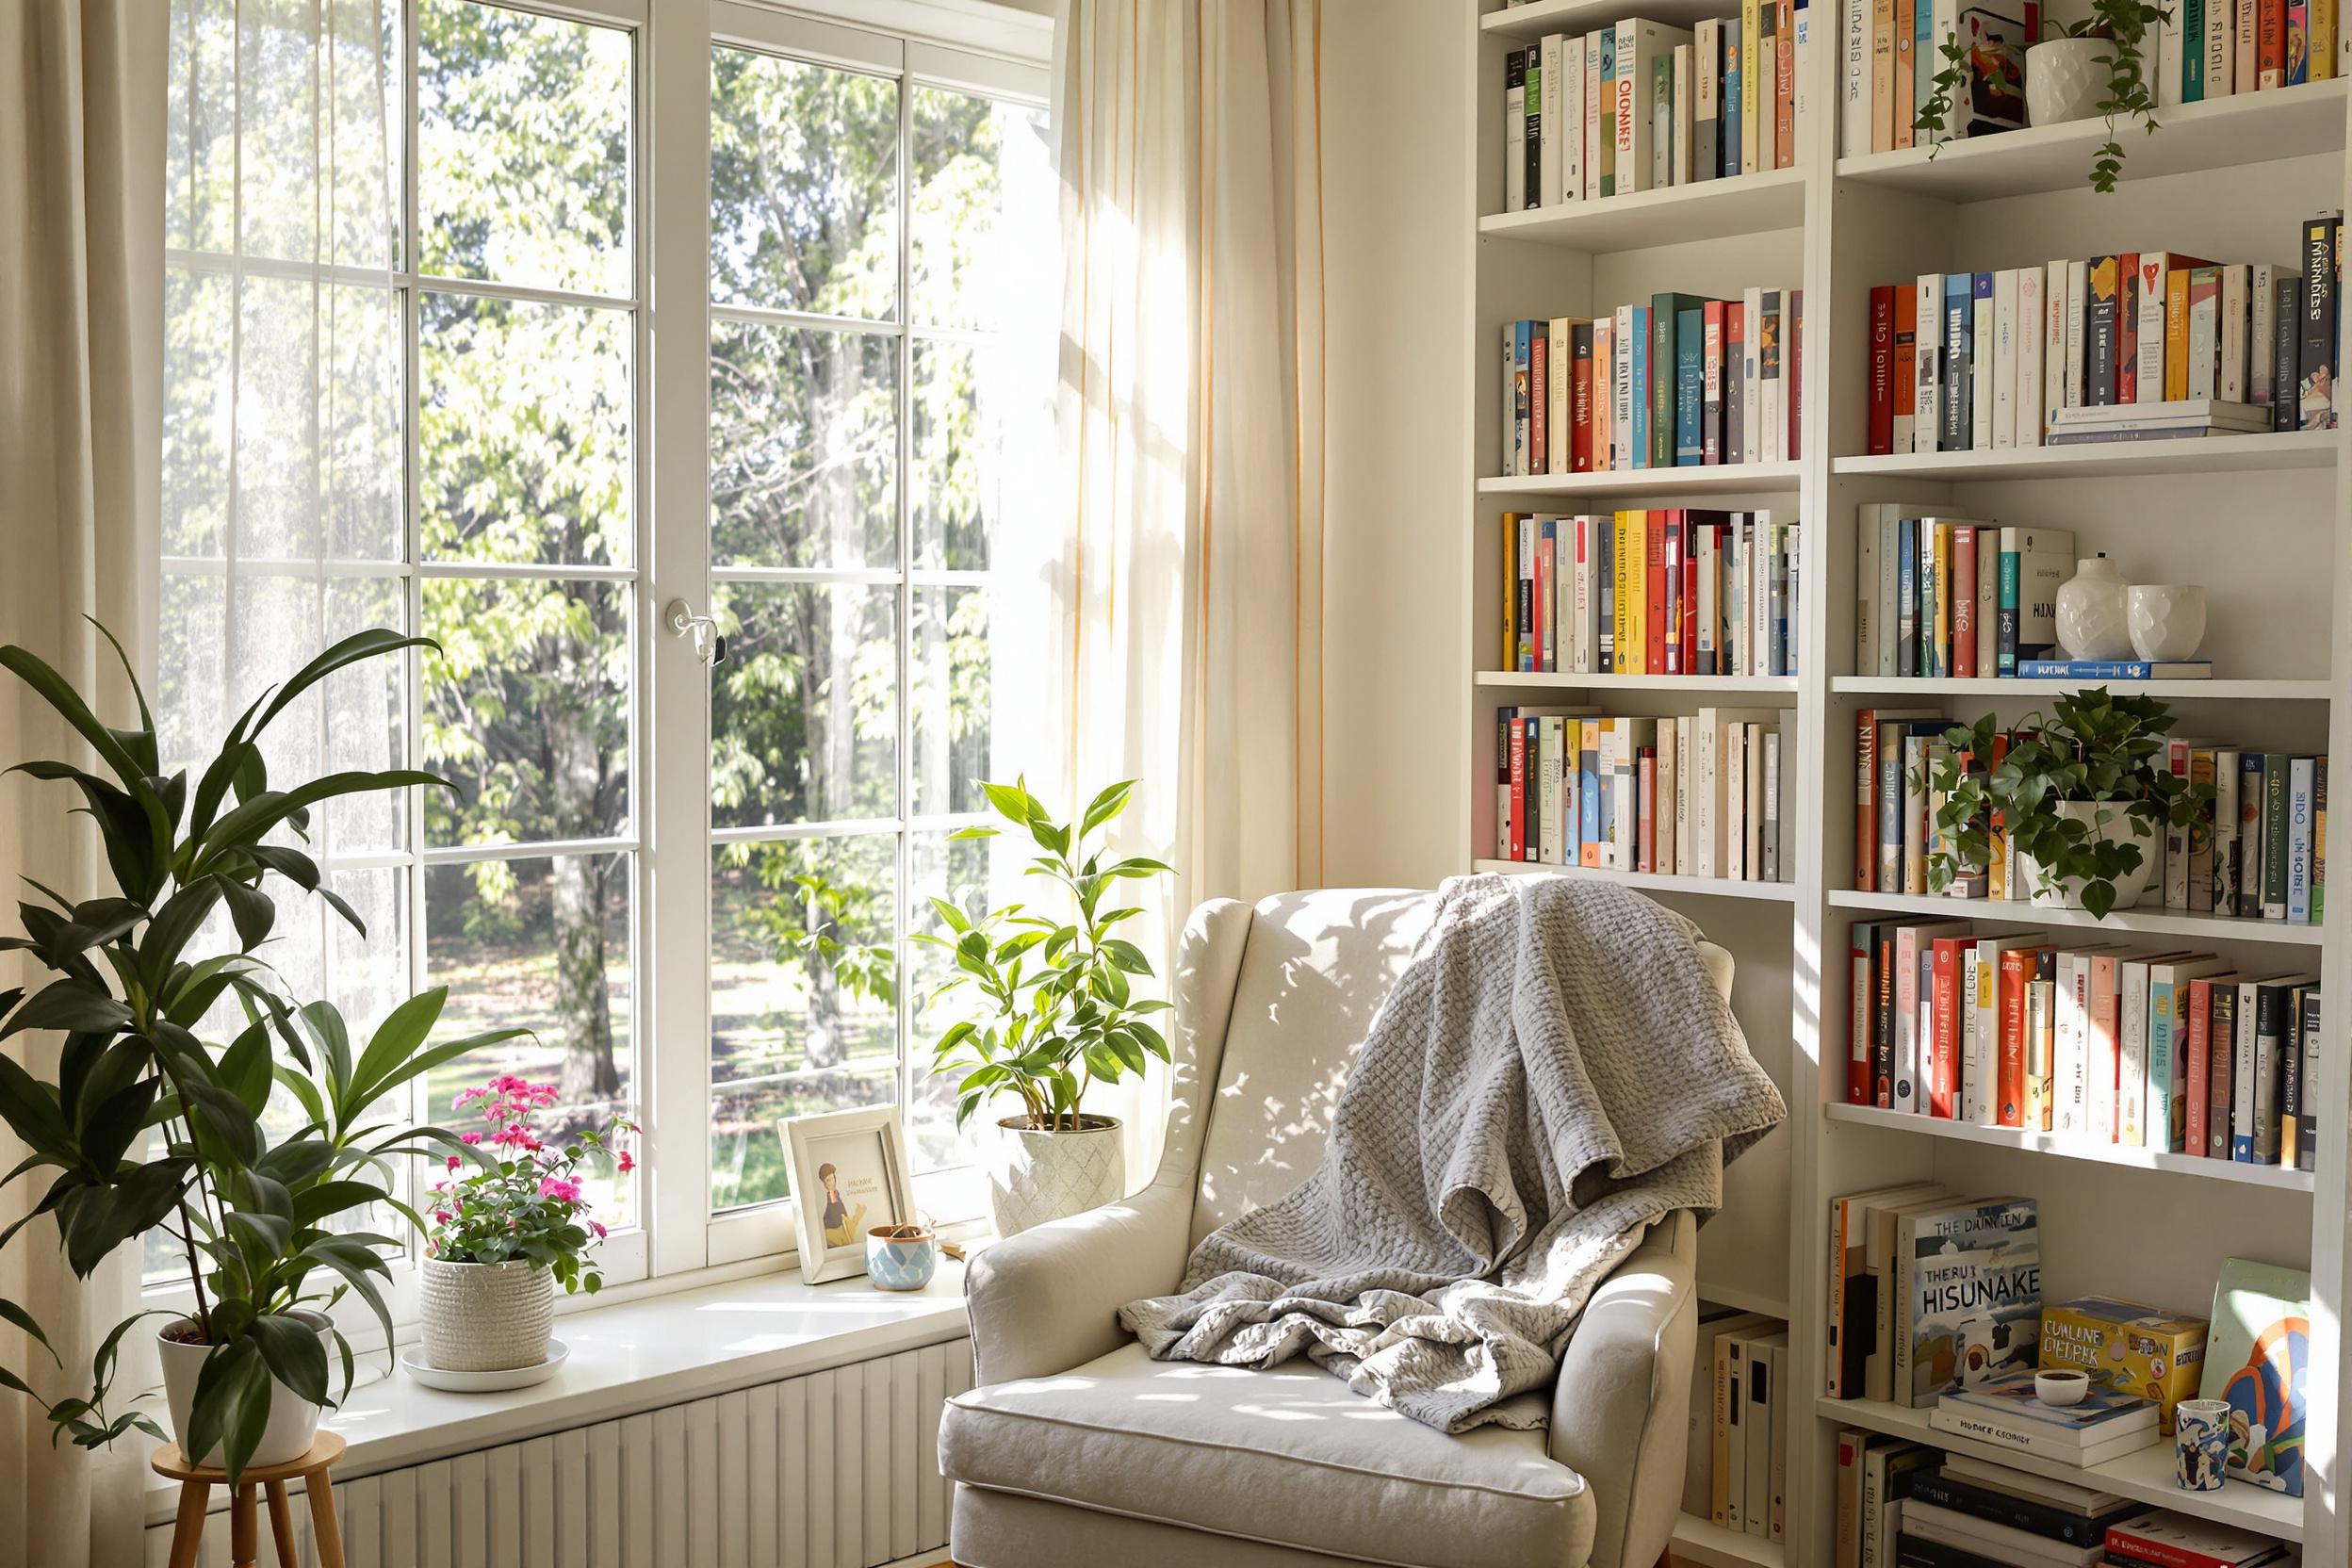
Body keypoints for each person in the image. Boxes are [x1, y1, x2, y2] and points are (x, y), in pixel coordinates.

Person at [818, 1161, 866, 1248]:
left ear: (835, 1178)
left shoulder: (837, 1196)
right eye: (825, 1182)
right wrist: (857, 1216)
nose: (827, 1184)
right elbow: (842, 1227)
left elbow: (845, 1226)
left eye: (829, 1180)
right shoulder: (831, 1201)